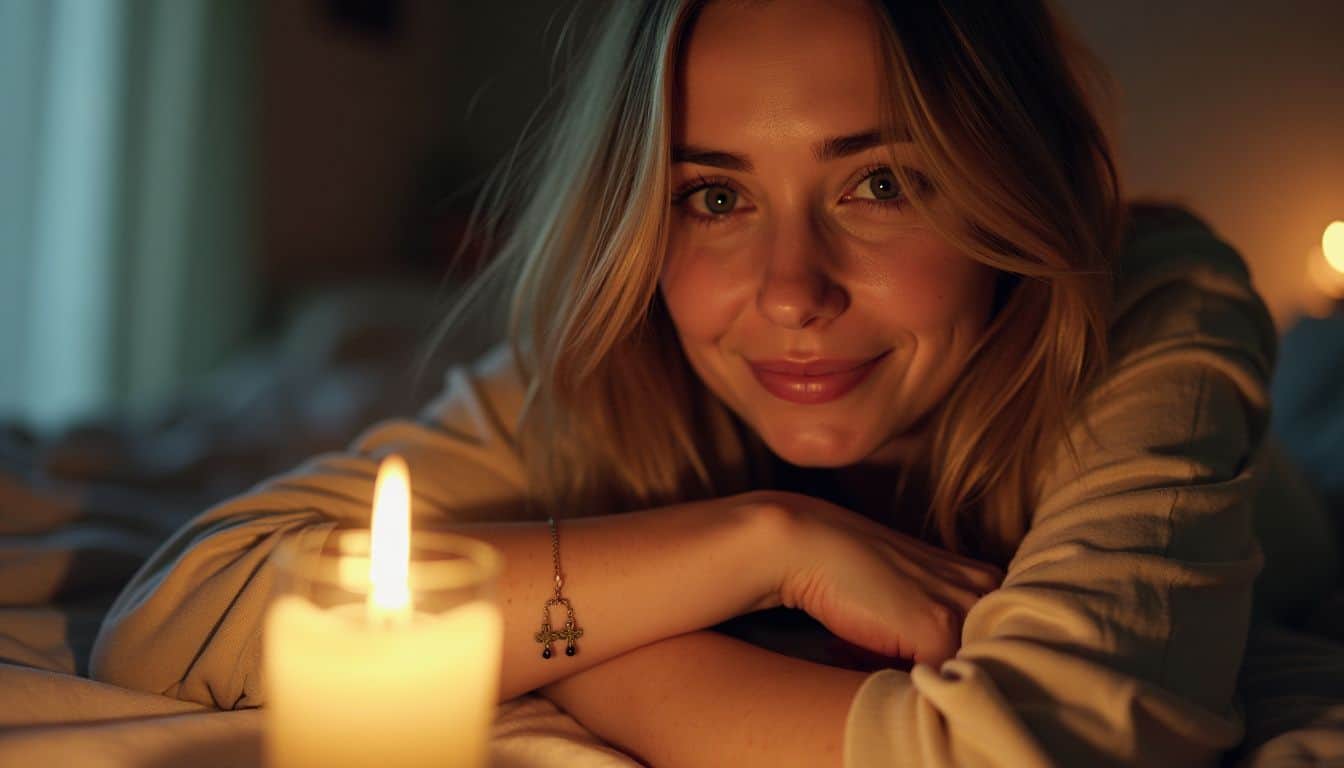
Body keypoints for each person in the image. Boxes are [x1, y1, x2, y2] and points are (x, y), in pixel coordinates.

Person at [91, 0, 1340, 765]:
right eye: (715, 196)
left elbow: (1029, 753)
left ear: (1016, 186)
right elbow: (177, 616)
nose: (790, 291)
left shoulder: (1153, 297)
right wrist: (755, 543)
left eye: (880, 183)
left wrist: (578, 650)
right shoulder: (624, 348)